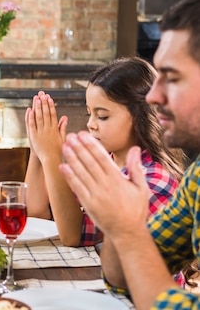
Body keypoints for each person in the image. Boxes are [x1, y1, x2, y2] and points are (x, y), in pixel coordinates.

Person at [58, 0, 200, 309]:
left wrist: (127, 231)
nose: (152, 97)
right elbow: (122, 279)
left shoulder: (163, 177)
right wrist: (120, 226)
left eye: (172, 78)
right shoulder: (197, 180)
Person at [24, 57, 185, 247]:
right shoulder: (103, 164)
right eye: (89, 113)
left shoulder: (155, 181)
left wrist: (51, 156)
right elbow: (36, 215)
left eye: (102, 116)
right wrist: (38, 150)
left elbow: (74, 234)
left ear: (140, 117)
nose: (90, 124)